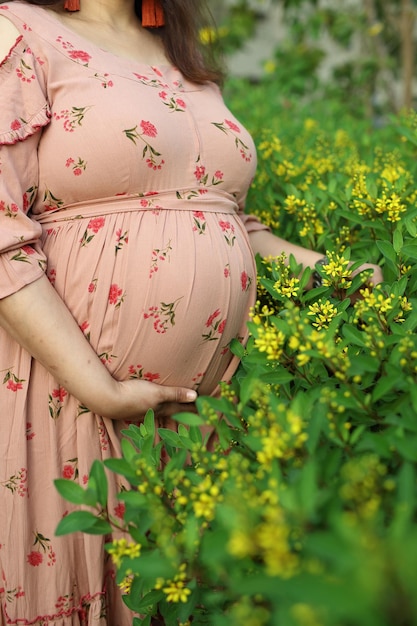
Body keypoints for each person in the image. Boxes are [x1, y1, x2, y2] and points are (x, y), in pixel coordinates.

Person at [0, 0, 383, 623]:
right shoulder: (18, 32)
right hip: (68, 396)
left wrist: (337, 273)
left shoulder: (178, 50)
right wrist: (98, 386)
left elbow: (225, 217)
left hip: (197, 421)